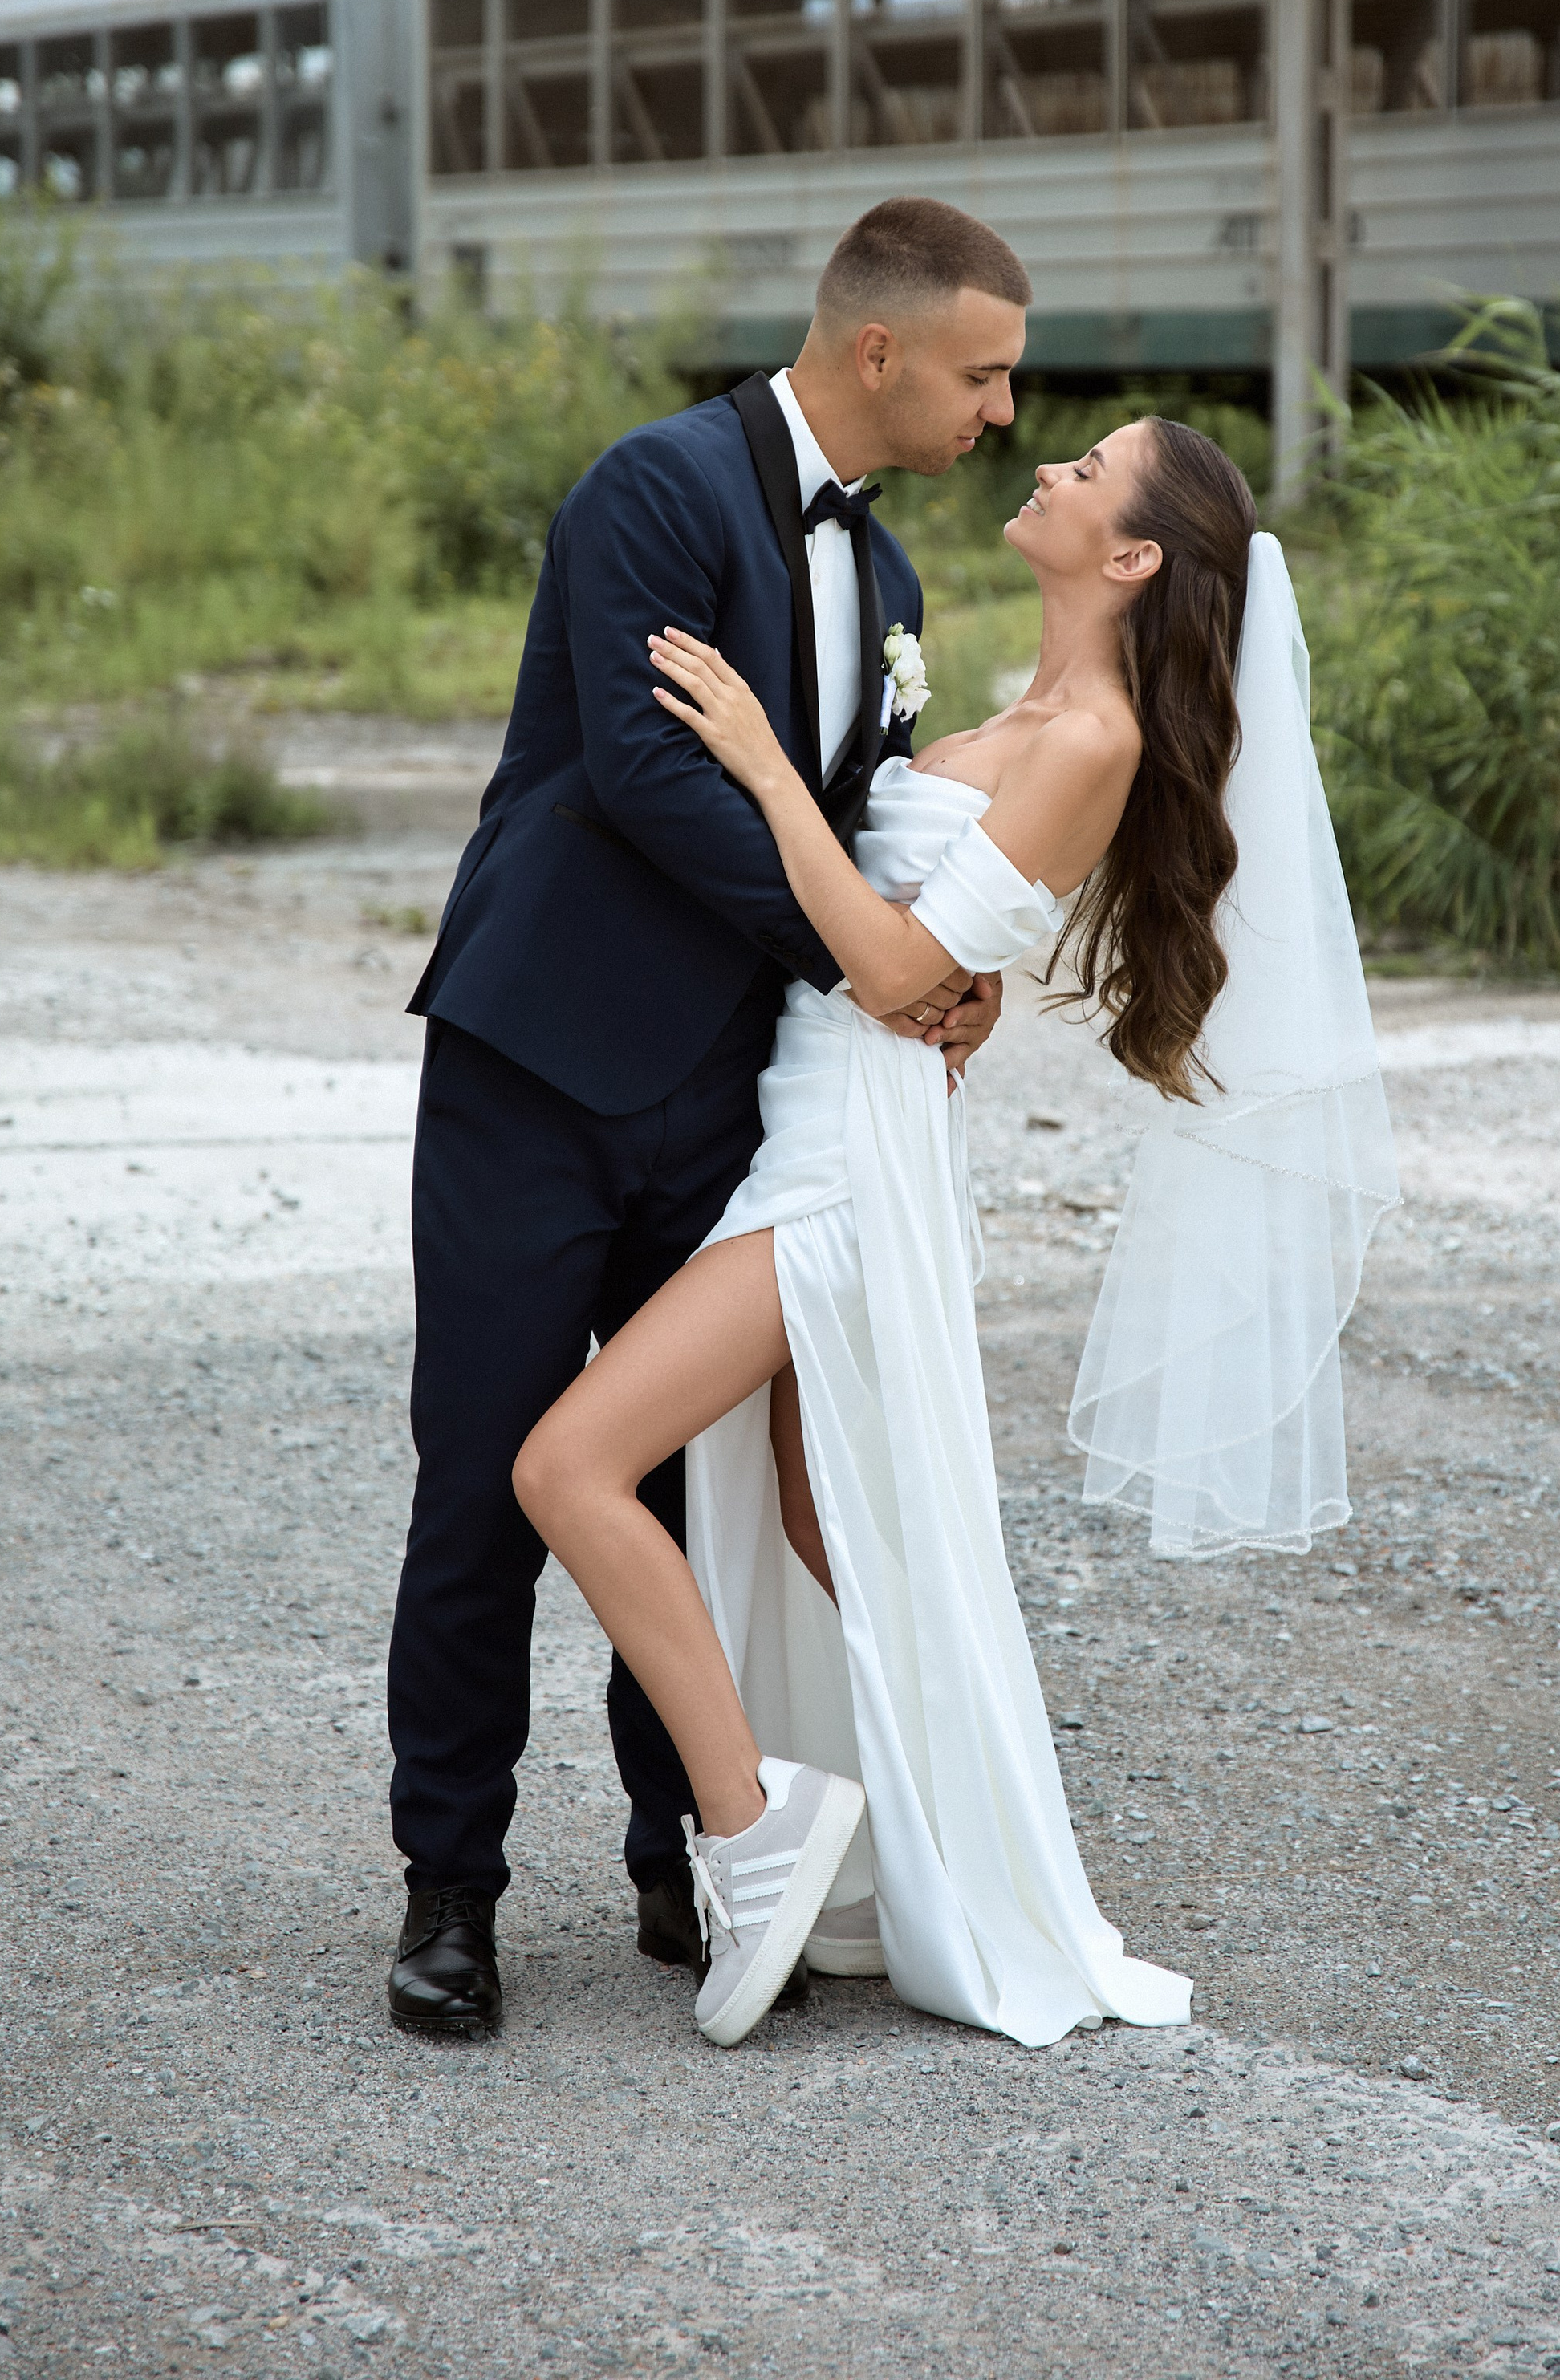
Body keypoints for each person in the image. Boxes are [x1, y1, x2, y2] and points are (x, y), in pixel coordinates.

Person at [514, 413, 1391, 2049]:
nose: (1045, 466)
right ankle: (913, 1863)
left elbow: (890, 969)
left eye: (1085, 471)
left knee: (568, 1468)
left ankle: (753, 1824)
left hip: (847, 1166)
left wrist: (770, 771)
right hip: (817, 1124)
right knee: (818, 1516)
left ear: (1130, 556)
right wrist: (935, 969)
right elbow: (925, 960)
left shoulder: (1096, 740)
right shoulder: (1030, 708)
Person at [384, 195, 1032, 2037]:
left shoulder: (894, 592)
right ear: (880, 350)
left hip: (730, 1100)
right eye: (983, 376)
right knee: (483, 1489)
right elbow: (653, 776)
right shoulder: (653, 488)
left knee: (687, 1491)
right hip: (540, 1062)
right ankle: (450, 1891)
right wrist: (869, 967)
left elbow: (871, 834)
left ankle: (687, 1858)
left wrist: (940, 958)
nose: (999, 412)